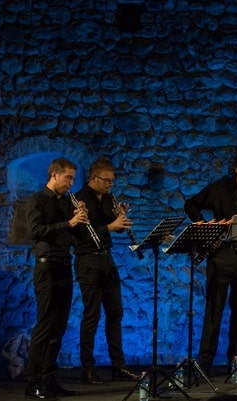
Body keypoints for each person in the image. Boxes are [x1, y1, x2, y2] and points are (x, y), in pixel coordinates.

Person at [184, 150, 237, 377]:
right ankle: (205, 364)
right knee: (213, 312)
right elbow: (191, 204)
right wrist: (207, 227)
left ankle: (235, 362)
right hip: (220, 255)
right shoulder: (218, 188)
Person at [72, 158, 140, 384]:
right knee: (91, 315)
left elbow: (115, 230)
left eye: (112, 181)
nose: (111, 185)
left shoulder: (109, 198)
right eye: (107, 180)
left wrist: (119, 217)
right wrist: (111, 226)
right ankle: (88, 369)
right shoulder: (79, 199)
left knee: (116, 313)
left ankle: (119, 367)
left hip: (106, 259)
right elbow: (83, 235)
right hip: (87, 261)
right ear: (94, 178)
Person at [24, 157, 88, 399]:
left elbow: (78, 237)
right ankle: (33, 383)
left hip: (64, 266)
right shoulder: (37, 200)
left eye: (73, 179)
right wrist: (68, 223)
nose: (71, 183)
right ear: (54, 174)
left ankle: (49, 380)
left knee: (59, 327)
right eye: (68, 178)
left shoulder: (66, 203)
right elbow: (35, 231)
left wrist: (81, 219)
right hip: (47, 267)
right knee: (45, 326)